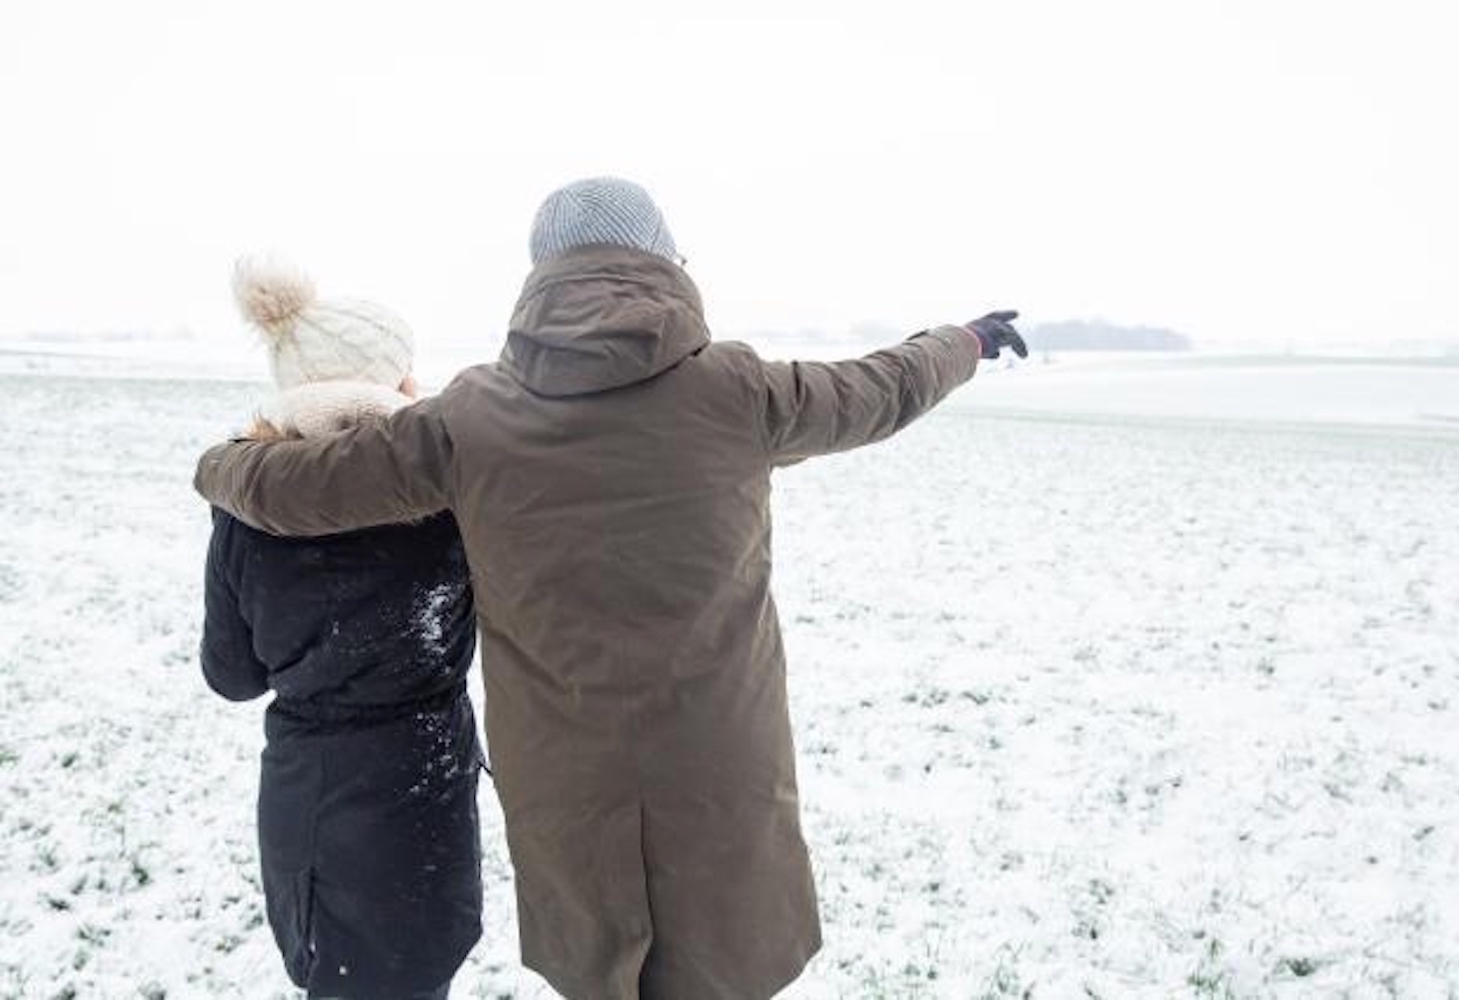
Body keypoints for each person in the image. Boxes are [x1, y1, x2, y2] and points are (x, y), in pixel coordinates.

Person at [195, 178, 1026, 1000]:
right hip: (718, 763)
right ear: (663, 260)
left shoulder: (473, 417)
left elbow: (303, 487)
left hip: (563, 782)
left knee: (600, 964)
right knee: (723, 964)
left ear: (538, 276)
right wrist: (965, 341)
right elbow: (884, 387)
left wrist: (220, 464)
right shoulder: (736, 391)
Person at [199, 258, 483, 1000]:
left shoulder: (248, 510)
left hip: (314, 793)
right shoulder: (450, 498)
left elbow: (230, 676)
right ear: (391, 381)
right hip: (429, 779)